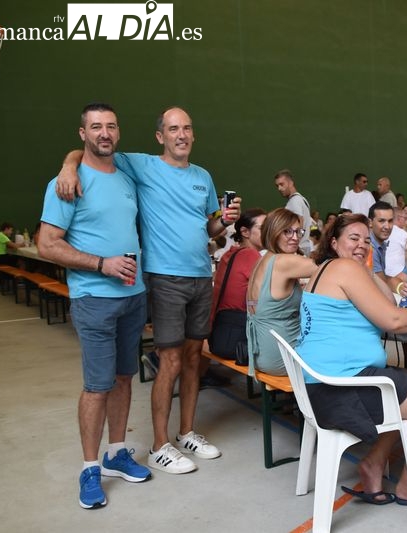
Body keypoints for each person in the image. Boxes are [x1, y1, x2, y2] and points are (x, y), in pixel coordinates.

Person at [55, 106, 241, 475]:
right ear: (161, 137)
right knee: (169, 361)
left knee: (193, 358)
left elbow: (209, 230)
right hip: (163, 277)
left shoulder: (203, 176)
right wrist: (67, 166)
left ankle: (187, 431)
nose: (181, 135)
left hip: (201, 276)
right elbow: (94, 149)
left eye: (187, 128)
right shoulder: (141, 165)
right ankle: (159, 445)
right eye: (173, 129)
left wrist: (223, 220)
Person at [299, 212, 407, 507]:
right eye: (353, 238)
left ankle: (373, 466)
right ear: (334, 243)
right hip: (342, 389)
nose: (361, 244)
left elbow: (387, 301)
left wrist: (369, 269)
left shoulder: (329, 269)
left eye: (366, 240)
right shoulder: (345, 268)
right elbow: (394, 319)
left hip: (324, 384)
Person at [38, 103, 151, 509]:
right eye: (96, 127)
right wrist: (100, 264)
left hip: (133, 296)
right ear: (82, 133)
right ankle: (89, 468)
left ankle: (116, 454)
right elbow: (47, 244)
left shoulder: (125, 177)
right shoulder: (67, 183)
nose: (105, 133)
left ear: (118, 133)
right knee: (97, 386)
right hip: (94, 299)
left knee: (123, 378)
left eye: (111, 126)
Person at [246, 208, 318, 376]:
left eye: (298, 231)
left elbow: (258, 304)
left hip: (260, 352)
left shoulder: (263, 259)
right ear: (273, 232)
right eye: (287, 231)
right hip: (280, 359)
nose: (295, 237)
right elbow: (330, 267)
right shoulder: (283, 261)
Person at [201, 208, 267, 385]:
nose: (269, 232)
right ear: (245, 232)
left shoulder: (230, 253)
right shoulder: (251, 256)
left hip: (218, 332)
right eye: (263, 228)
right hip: (236, 339)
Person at [274, 169, 313, 255]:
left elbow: (299, 224)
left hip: (299, 248)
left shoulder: (294, 201)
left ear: (291, 183)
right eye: (277, 186)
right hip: (304, 247)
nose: (279, 188)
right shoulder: (302, 199)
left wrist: (296, 250)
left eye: (281, 184)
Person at [368, 201, 397, 283]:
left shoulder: (380, 243)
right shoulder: (370, 247)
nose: (387, 226)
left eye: (390, 221)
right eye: (381, 221)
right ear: (370, 223)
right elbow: (381, 283)